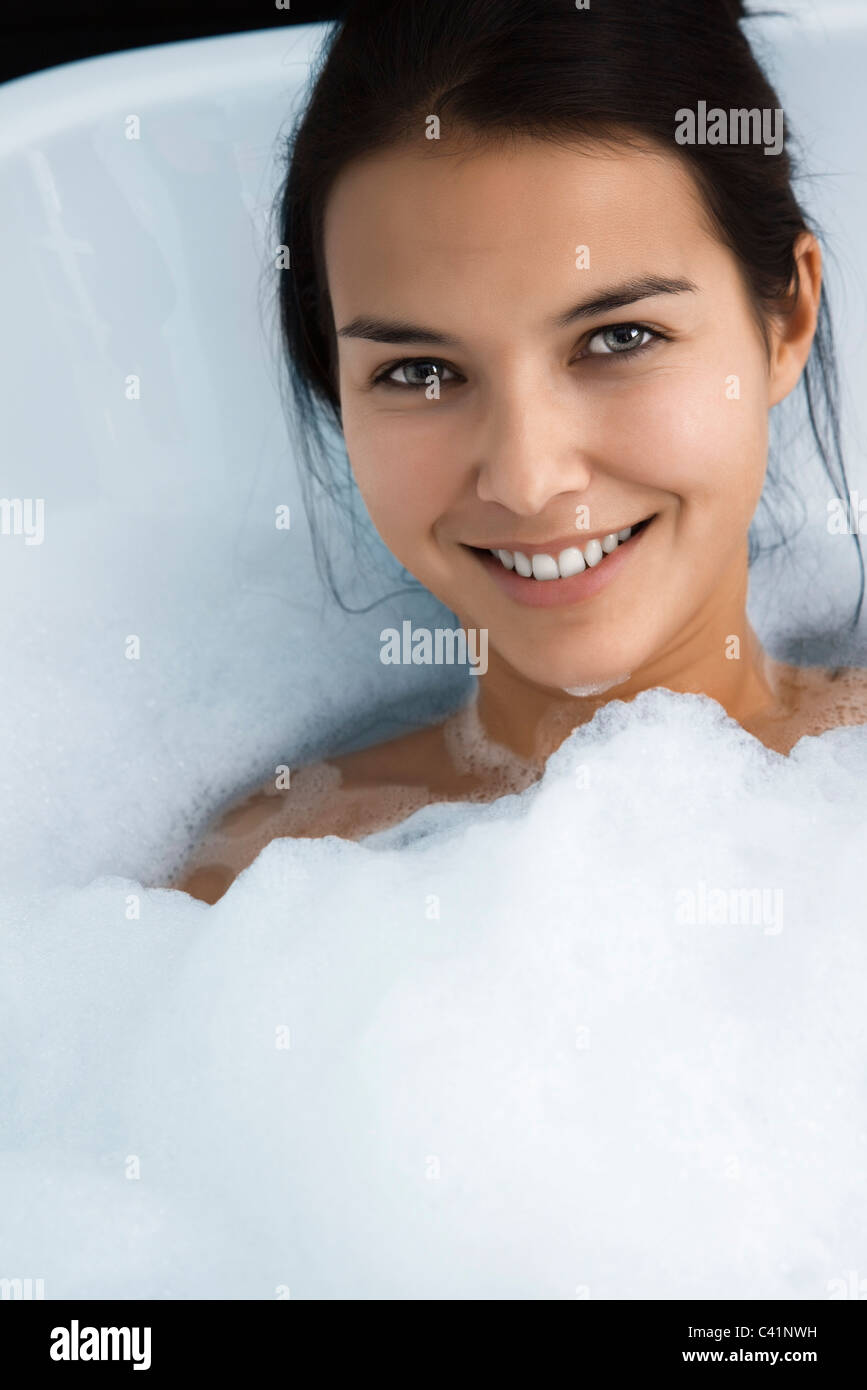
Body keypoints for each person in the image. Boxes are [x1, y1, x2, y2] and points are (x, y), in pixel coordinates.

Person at [176, 0, 867, 904]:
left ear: (786, 319)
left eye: (619, 339)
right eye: (420, 370)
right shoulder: (264, 880)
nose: (528, 479)